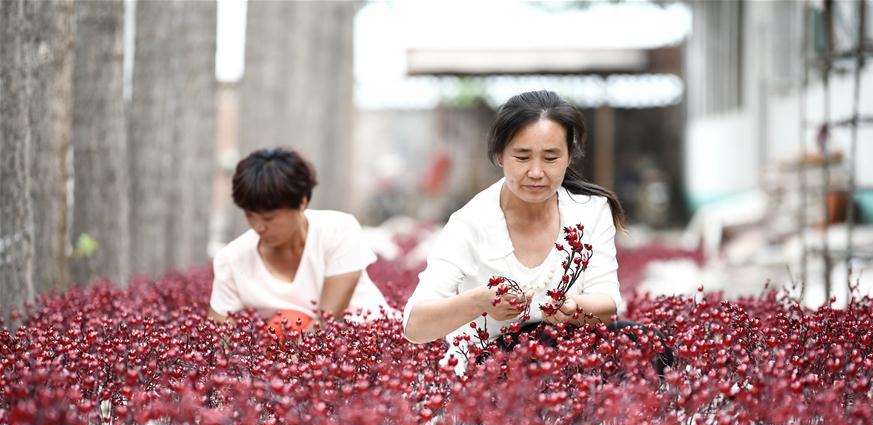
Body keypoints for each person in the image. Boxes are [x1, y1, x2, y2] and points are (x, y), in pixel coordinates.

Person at [403, 90, 628, 367]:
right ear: (499, 155)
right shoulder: (471, 223)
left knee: (640, 342)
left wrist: (573, 309)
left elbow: (608, 303)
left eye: (550, 158)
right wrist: (480, 302)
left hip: (569, 365)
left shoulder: (591, 210)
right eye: (522, 158)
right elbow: (415, 324)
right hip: (490, 372)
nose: (536, 172)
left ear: (570, 156)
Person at [209, 147, 391, 329]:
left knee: (288, 322)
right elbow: (218, 336)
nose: (259, 227)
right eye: (250, 215)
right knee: (285, 324)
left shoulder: (338, 230)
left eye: (269, 218)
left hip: (368, 338)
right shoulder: (231, 260)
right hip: (288, 346)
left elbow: (326, 321)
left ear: (302, 201)